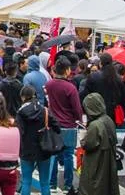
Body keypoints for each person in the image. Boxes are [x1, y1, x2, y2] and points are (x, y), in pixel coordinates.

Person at [44, 57, 83, 195]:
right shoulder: (70, 88)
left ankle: (52, 183)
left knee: (53, 155)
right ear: (67, 70)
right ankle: (67, 185)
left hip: (54, 125)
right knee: (68, 156)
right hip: (69, 125)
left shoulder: (48, 85)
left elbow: (46, 103)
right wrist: (79, 120)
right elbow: (77, 109)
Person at [79, 92, 120, 195]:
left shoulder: (95, 125)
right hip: (109, 159)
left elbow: (88, 144)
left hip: (96, 162)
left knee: (94, 186)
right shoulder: (108, 119)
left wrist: (83, 139)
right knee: (108, 186)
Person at [16, 85, 52, 195]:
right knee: (45, 182)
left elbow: (19, 131)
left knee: (26, 181)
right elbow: (56, 125)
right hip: (44, 147)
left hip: (26, 149)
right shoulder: (44, 110)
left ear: (23, 97)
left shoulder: (21, 112)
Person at [80, 53, 124, 126]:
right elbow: (122, 98)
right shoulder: (118, 79)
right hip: (112, 115)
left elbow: (86, 95)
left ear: (100, 63)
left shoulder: (94, 76)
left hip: (95, 113)